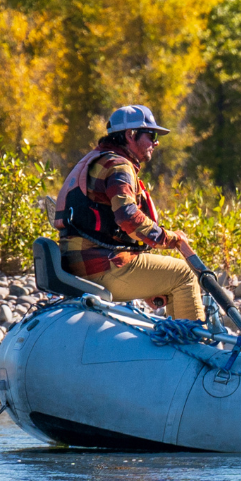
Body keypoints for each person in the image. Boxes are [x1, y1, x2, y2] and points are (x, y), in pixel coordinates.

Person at [52, 105, 203, 320]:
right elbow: (128, 217)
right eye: (151, 135)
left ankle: (176, 342)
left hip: (77, 265)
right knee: (184, 274)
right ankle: (194, 349)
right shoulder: (118, 166)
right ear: (131, 135)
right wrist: (170, 238)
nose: (156, 142)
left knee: (170, 283)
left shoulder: (97, 160)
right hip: (101, 267)